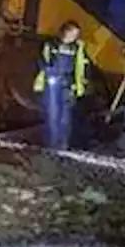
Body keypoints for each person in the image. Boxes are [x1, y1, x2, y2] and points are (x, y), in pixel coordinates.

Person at [32, 20, 90, 151]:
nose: (75, 36)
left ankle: (63, 144)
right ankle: (52, 145)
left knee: (65, 116)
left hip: (68, 83)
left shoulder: (77, 48)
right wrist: (48, 74)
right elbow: (42, 61)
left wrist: (78, 85)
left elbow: (80, 66)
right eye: (74, 33)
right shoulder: (51, 44)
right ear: (66, 31)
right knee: (52, 114)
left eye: (77, 34)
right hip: (52, 82)